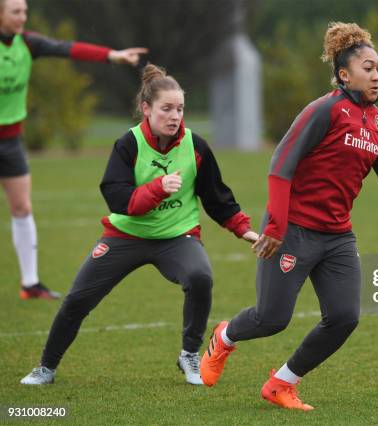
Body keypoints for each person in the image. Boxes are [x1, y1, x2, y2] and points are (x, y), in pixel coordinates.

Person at [199, 22, 378, 410]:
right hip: (292, 230)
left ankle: (281, 383)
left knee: (344, 317)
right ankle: (224, 337)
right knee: (271, 319)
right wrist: (275, 226)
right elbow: (280, 166)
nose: (376, 75)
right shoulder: (324, 111)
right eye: (367, 68)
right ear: (344, 74)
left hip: (338, 238)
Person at [20, 63, 258, 385]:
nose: (174, 116)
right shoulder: (128, 144)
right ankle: (46, 367)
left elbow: (217, 197)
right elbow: (119, 199)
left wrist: (243, 229)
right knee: (77, 300)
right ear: (146, 109)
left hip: (178, 236)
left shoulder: (196, 146)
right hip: (125, 236)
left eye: (180, 109)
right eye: (166, 109)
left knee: (200, 276)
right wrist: (159, 188)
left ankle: (189, 355)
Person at [0, 0, 148, 299]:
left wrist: (112, 56)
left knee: (22, 208)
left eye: (25, 11)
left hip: (11, 140)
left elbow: (67, 48)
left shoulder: (27, 44)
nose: (22, 17)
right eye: (15, 11)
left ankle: (30, 284)